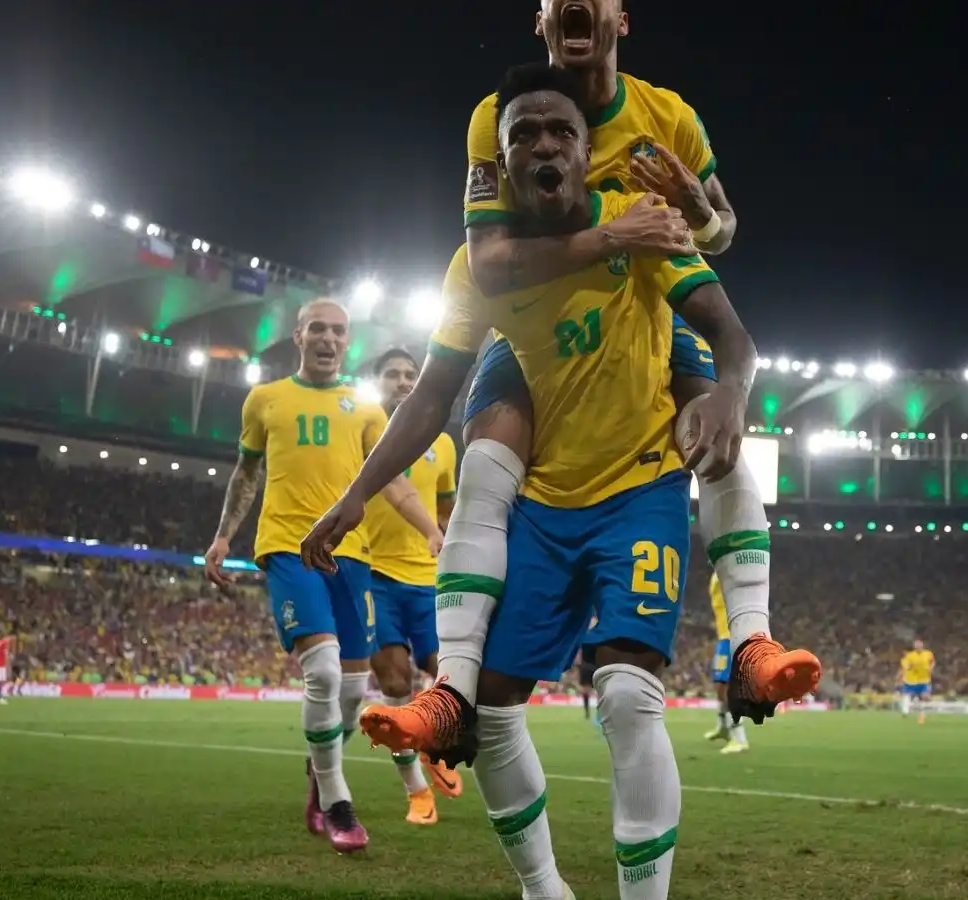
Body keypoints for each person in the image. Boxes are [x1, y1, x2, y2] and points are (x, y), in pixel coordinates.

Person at [302, 62, 801, 900]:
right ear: (499, 162)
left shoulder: (638, 221)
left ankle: (750, 638)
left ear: (585, 149)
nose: (543, 144)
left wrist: (726, 392)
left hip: (637, 490)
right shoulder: (478, 271)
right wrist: (355, 494)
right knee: (494, 713)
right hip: (543, 503)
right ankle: (542, 886)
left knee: (630, 694)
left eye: (561, 132)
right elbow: (431, 394)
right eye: (524, 134)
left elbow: (731, 331)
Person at [436, 0, 799, 738]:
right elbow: (490, 263)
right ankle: (452, 685)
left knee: (714, 419)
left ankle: (754, 640)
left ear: (620, 20)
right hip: (534, 321)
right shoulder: (495, 116)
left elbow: (720, 230)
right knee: (483, 463)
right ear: (539, 22)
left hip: (643, 307)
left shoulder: (668, 117)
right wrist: (612, 234)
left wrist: (697, 206)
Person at [203, 299, 443, 855]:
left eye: (338, 331)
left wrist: (433, 530)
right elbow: (246, 474)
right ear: (299, 336)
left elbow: (396, 484)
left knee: (355, 688)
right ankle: (337, 800)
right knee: (327, 674)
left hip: (351, 555)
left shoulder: (364, 410)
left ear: (347, 341)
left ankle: (318, 767)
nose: (328, 338)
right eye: (318, 329)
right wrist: (223, 537)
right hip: (287, 546)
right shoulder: (265, 399)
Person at [359, 347, 465, 824]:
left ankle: (433, 748)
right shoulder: (359, 433)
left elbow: (447, 507)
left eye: (410, 374)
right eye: (392, 374)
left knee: (448, 679)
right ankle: (417, 792)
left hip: (427, 580)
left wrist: (450, 544)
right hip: (373, 574)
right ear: (375, 382)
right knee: (396, 684)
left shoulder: (443, 443)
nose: (402, 381)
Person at [703, 574, 748, 753]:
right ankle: (723, 727)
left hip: (733, 636)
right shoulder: (718, 573)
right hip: (724, 637)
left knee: (729, 687)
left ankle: (739, 737)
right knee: (720, 686)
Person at [899, 639, 935, 724]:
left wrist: (931, 668)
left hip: (924, 680)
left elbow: (933, 661)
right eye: (916, 645)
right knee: (907, 695)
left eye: (919, 645)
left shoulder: (928, 654)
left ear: (922, 645)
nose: (918, 646)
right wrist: (909, 667)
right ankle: (905, 711)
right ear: (914, 647)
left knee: (924, 697)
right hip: (911, 681)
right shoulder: (910, 656)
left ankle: (922, 716)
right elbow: (905, 665)